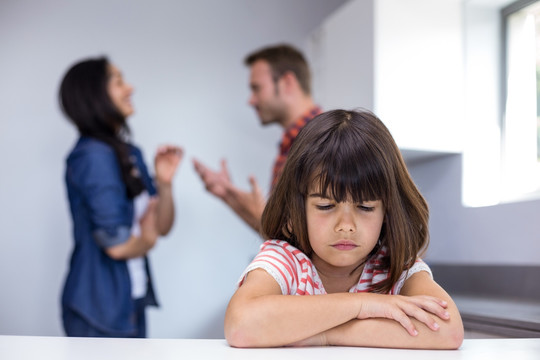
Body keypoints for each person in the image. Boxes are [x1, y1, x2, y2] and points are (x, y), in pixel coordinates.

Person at [224, 109, 464, 349]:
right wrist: (360, 305)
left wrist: (327, 335)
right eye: (326, 206)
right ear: (297, 208)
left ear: (387, 212)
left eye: (365, 207)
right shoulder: (285, 261)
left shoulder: (396, 267)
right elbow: (241, 325)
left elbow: (449, 330)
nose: (346, 226)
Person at [58, 56, 183, 337]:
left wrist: (164, 184)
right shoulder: (93, 156)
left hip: (131, 299)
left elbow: (162, 226)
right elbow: (118, 245)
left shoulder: (130, 153)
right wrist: (147, 239)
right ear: (95, 95)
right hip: (98, 309)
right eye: (118, 81)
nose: (130, 88)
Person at [193, 44, 322, 233]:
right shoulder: (293, 144)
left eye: (257, 88)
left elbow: (308, 242)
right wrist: (229, 196)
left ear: (287, 82)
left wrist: (258, 211)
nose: (251, 100)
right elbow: (279, 239)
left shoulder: (322, 143)